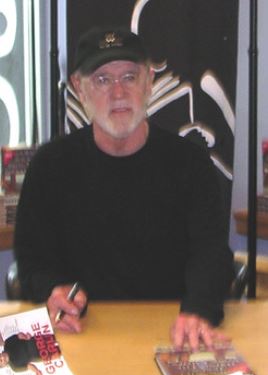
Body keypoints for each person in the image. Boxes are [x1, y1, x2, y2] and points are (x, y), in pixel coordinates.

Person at [14, 26, 234, 350]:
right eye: (102, 80)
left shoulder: (190, 163)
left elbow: (212, 253)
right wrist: (53, 290)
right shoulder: (49, 167)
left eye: (129, 77)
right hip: (82, 335)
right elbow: (32, 262)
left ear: (148, 82)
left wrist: (199, 309)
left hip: (173, 331)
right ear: (79, 87)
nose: (118, 93)